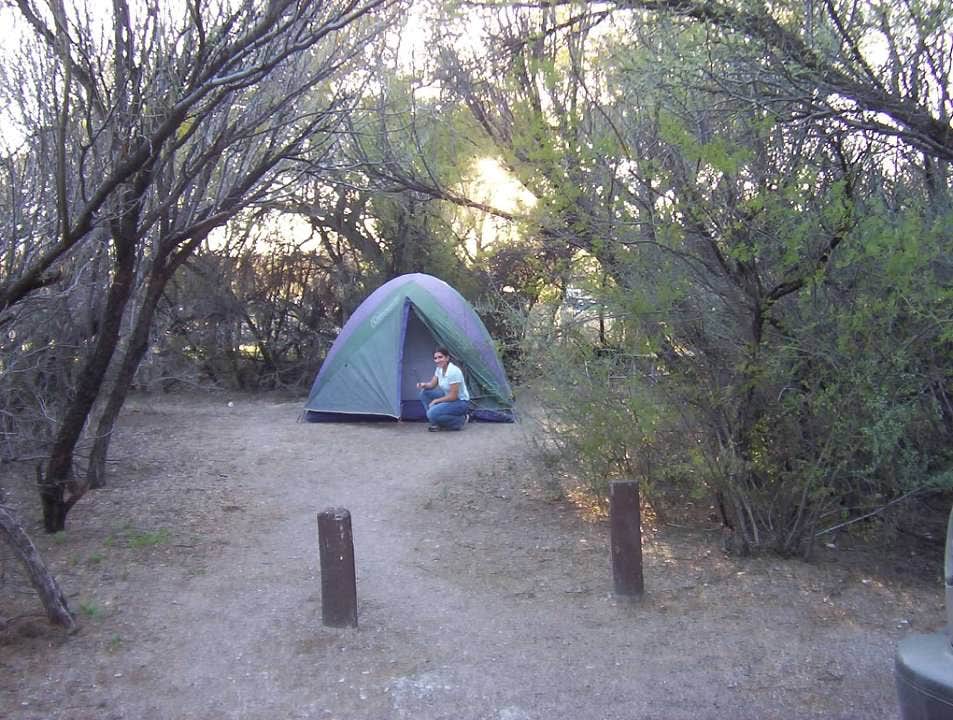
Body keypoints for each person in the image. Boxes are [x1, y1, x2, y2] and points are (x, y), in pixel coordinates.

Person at [416, 347, 470, 431]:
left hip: (460, 402)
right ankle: (435, 420)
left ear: (447, 358)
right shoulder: (439, 369)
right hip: (447, 396)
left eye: (440, 357)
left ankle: (460, 420)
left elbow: (454, 396)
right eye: (435, 358)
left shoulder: (453, 371)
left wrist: (436, 401)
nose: (437, 360)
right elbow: (432, 385)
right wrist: (424, 385)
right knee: (424, 393)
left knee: (431, 413)